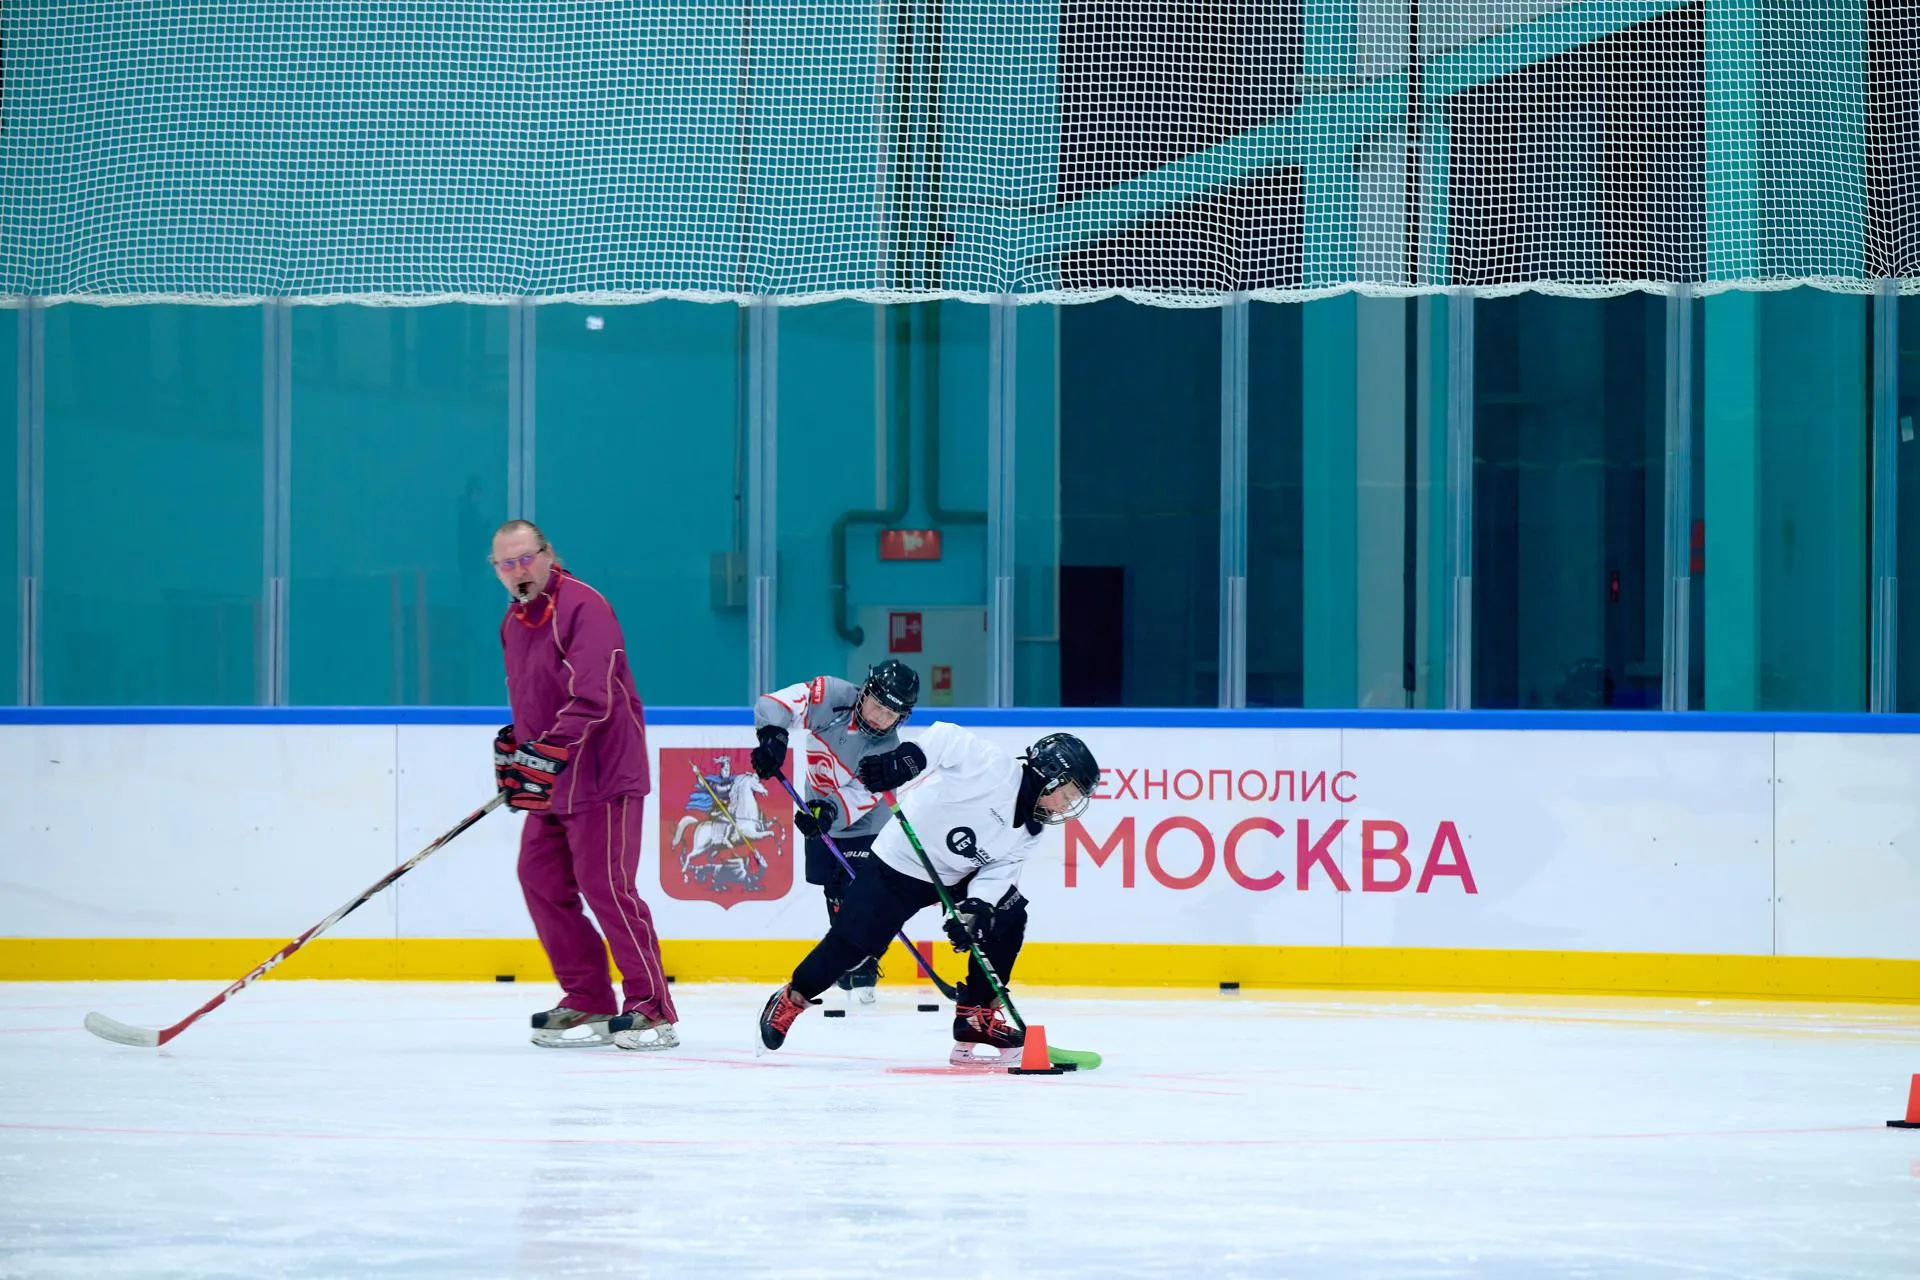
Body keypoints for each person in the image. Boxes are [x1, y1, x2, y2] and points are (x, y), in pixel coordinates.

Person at [755, 725, 1101, 1064]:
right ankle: (793, 996)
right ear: (1049, 775)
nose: (1066, 806)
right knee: (854, 944)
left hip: (958, 876)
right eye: (1067, 795)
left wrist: (976, 908)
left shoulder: (1031, 830)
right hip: (900, 862)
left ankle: (974, 1016)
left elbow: (999, 871)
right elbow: (947, 738)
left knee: (1007, 917)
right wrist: (907, 759)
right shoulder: (994, 768)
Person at [490, 519, 678, 1050]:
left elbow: (595, 696)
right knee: (539, 877)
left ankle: (651, 1009)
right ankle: (589, 997)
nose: (519, 571)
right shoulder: (513, 622)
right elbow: (535, 697)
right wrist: (517, 747)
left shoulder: (582, 606)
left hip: (602, 774)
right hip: (555, 782)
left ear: (548, 553)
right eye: (507, 564)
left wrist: (546, 751)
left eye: (526, 558)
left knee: (607, 887)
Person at [749, 660, 922, 1002]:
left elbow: (861, 796)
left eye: (891, 714)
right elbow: (777, 703)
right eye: (878, 706)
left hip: (867, 822)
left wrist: (828, 812)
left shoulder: (887, 748)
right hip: (818, 803)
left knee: (860, 888)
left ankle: (867, 958)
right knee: (834, 889)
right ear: (865, 692)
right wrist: (773, 735)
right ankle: (847, 956)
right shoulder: (830, 696)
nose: (881, 718)